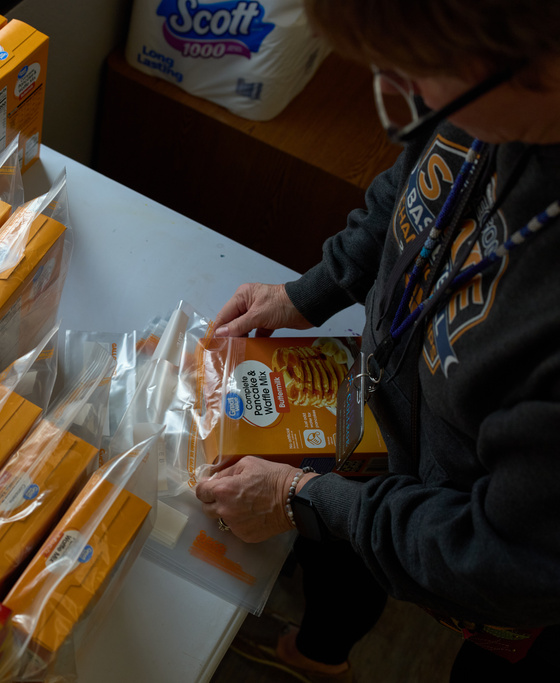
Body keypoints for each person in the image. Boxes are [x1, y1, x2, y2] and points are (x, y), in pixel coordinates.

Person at [193, 1, 560, 680]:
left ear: (540, 66)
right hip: (386, 426)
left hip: (476, 544)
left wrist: (301, 499)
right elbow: (413, 187)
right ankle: (321, 653)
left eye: (415, 75)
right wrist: (312, 291)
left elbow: (508, 561)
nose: (407, 98)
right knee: (345, 548)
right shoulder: (480, 98)